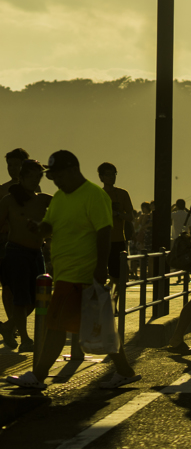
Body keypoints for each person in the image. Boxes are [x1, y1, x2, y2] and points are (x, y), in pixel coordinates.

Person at [7, 151, 139, 389]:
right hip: (66, 271)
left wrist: (100, 267)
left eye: (58, 176)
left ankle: (38, 376)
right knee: (101, 327)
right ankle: (125, 370)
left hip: (81, 273)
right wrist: (38, 228)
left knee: (55, 325)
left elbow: (104, 231)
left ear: (72, 171)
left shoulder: (93, 195)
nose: (55, 181)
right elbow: (50, 225)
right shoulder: (60, 197)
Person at [0, 160, 51, 352]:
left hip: (36, 253)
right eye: (29, 176)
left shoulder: (43, 199)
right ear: (21, 178)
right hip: (16, 253)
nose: (34, 179)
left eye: (38, 175)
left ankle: (7, 326)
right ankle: (26, 339)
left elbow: (65, 206)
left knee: (37, 299)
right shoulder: (9, 200)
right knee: (20, 299)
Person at [97, 163, 135, 282]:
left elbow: (130, 216)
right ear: (101, 177)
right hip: (99, 240)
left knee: (118, 277)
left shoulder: (122, 194)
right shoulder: (97, 194)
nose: (111, 177)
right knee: (98, 275)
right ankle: (101, 298)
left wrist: (117, 214)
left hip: (118, 240)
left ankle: (113, 300)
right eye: (108, 175)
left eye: (114, 174)